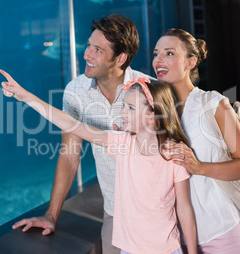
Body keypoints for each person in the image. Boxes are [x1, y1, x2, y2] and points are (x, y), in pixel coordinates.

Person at [1, 69, 198, 254]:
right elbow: (71, 124)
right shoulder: (121, 143)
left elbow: (184, 208)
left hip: (168, 249)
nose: (121, 113)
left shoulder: (174, 154)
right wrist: (26, 97)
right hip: (128, 249)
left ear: (152, 117)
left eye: (129, 108)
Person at [11, 14, 149, 253]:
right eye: (88, 45)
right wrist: (51, 215)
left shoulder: (150, 91)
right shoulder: (76, 90)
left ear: (121, 58)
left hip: (154, 209)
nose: (86, 54)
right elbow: (70, 153)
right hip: (114, 211)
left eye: (98, 50)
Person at [152, 28, 240, 254]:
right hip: (172, 238)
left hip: (221, 232)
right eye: (156, 53)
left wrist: (198, 167)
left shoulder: (215, 104)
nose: (158, 60)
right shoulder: (154, 110)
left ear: (191, 62)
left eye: (169, 53)